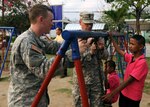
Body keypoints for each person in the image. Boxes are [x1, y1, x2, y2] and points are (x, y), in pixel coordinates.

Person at [8, 4, 61, 107]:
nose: (52, 24)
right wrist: (71, 55)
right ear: (41, 19)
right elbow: (43, 69)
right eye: (51, 20)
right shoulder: (27, 41)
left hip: (34, 99)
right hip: (25, 101)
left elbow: (53, 46)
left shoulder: (35, 38)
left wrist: (74, 43)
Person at [66, 11, 109, 107]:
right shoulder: (74, 38)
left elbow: (106, 56)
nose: (89, 26)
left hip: (96, 80)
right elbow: (72, 61)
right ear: (80, 22)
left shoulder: (96, 36)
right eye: (86, 23)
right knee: (80, 104)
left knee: (97, 104)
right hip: (82, 80)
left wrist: (101, 48)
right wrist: (90, 52)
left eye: (91, 24)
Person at [102, 34, 148, 107]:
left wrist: (112, 94)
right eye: (130, 43)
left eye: (133, 44)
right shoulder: (131, 57)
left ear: (141, 47)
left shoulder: (142, 63)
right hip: (124, 93)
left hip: (132, 98)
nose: (130, 46)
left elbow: (128, 81)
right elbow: (118, 50)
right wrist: (112, 38)